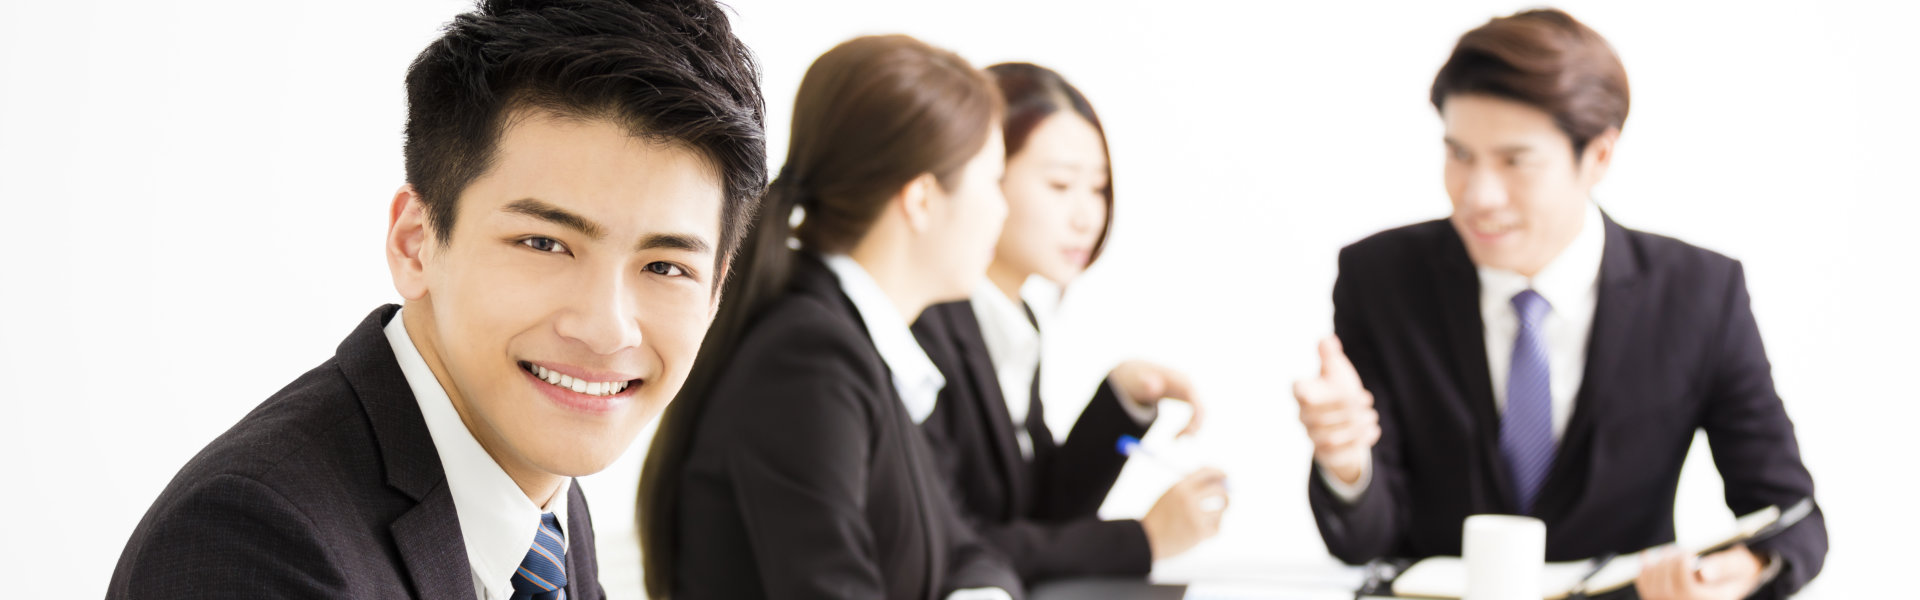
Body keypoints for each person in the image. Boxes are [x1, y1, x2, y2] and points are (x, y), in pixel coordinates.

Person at [106, 0, 767, 597]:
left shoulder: (536, 492)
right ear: (416, 242)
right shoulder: (251, 541)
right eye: (544, 243)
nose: (604, 328)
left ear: (716, 289)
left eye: (664, 265)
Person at [1292, 9, 1826, 599]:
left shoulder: (1699, 293)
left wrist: (1739, 575)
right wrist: (1346, 460)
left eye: (1515, 161)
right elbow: (1363, 542)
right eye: (1460, 155)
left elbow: (1792, 515)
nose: (1477, 196)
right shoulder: (1381, 278)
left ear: (1598, 156)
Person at [638, 35, 1023, 599]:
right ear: (921, 199)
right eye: (994, 181)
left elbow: (963, 545)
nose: (1002, 210)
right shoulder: (810, 360)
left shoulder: (856, 344)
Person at [911, 62, 1227, 585]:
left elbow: (1039, 510)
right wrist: (1143, 538)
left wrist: (1121, 400)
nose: (1087, 215)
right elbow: (951, 540)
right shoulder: (923, 324)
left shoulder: (1016, 320)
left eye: (1098, 188)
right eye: (1060, 185)